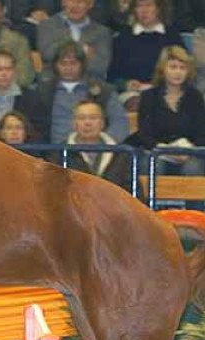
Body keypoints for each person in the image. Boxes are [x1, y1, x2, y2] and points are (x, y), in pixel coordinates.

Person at [38, 40, 129, 143]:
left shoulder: (103, 91)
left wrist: (104, 146)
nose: (68, 68)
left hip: (96, 150)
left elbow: (119, 122)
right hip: (52, 152)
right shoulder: (42, 91)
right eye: (63, 63)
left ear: (82, 64)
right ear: (55, 65)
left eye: (73, 63)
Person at [134, 45, 205, 174]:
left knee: (194, 167)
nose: (178, 72)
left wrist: (187, 150)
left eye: (182, 68)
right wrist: (164, 150)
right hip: (157, 152)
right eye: (173, 67)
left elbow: (201, 133)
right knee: (152, 165)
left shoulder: (195, 97)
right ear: (162, 70)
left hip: (188, 153)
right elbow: (145, 134)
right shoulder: (149, 97)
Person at [108, 0, 184, 110]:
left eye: (148, 5)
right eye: (139, 6)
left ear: (158, 8)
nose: (144, 10)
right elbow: (112, 76)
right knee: (139, 104)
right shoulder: (123, 38)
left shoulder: (172, 35)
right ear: (134, 10)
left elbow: (185, 68)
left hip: (167, 89)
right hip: (133, 93)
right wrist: (126, 84)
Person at [57, 99, 141, 196]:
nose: (87, 123)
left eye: (93, 118)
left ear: (102, 123)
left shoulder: (121, 154)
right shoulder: (58, 153)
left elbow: (134, 193)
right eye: (81, 118)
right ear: (73, 123)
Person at [37, 0, 112, 80]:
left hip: (88, 83)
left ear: (90, 5)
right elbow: (47, 54)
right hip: (53, 81)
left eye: (81, 2)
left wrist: (61, 47)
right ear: (63, 2)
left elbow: (100, 66)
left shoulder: (102, 32)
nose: (75, 6)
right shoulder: (47, 26)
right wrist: (84, 49)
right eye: (71, 1)